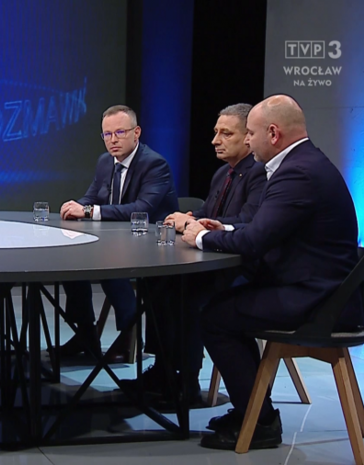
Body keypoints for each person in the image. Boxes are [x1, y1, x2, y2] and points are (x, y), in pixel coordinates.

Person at [182, 95, 362, 450]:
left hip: (318, 299)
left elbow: (255, 242)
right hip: (321, 288)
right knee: (223, 304)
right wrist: (225, 228)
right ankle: (251, 411)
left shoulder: (296, 173)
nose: (248, 141)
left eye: (250, 133)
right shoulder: (306, 162)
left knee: (215, 316)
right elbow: (265, 228)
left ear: (274, 134)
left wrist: (201, 237)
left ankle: (260, 421)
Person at [131, 103, 266, 403]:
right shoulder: (223, 173)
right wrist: (188, 217)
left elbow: (248, 222)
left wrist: (194, 223)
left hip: (244, 269)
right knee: (158, 283)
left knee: (188, 294)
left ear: (248, 137)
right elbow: (208, 213)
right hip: (213, 262)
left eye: (226, 133)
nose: (215, 140)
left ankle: (187, 381)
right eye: (216, 132)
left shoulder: (259, 174)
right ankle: (164, 370)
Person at [57, 104, 179, 362]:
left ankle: (129, 334)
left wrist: (88, 211)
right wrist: (75, 206)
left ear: (137, 133)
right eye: (107, 134)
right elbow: (92, 197)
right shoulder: (105, 162)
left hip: (152, 244)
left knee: (109, 266)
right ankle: (85, 333)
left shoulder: (154, 164)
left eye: (120, 133)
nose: (112, 140)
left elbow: (141, 210)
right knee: (69, 263)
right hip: (116, 242)